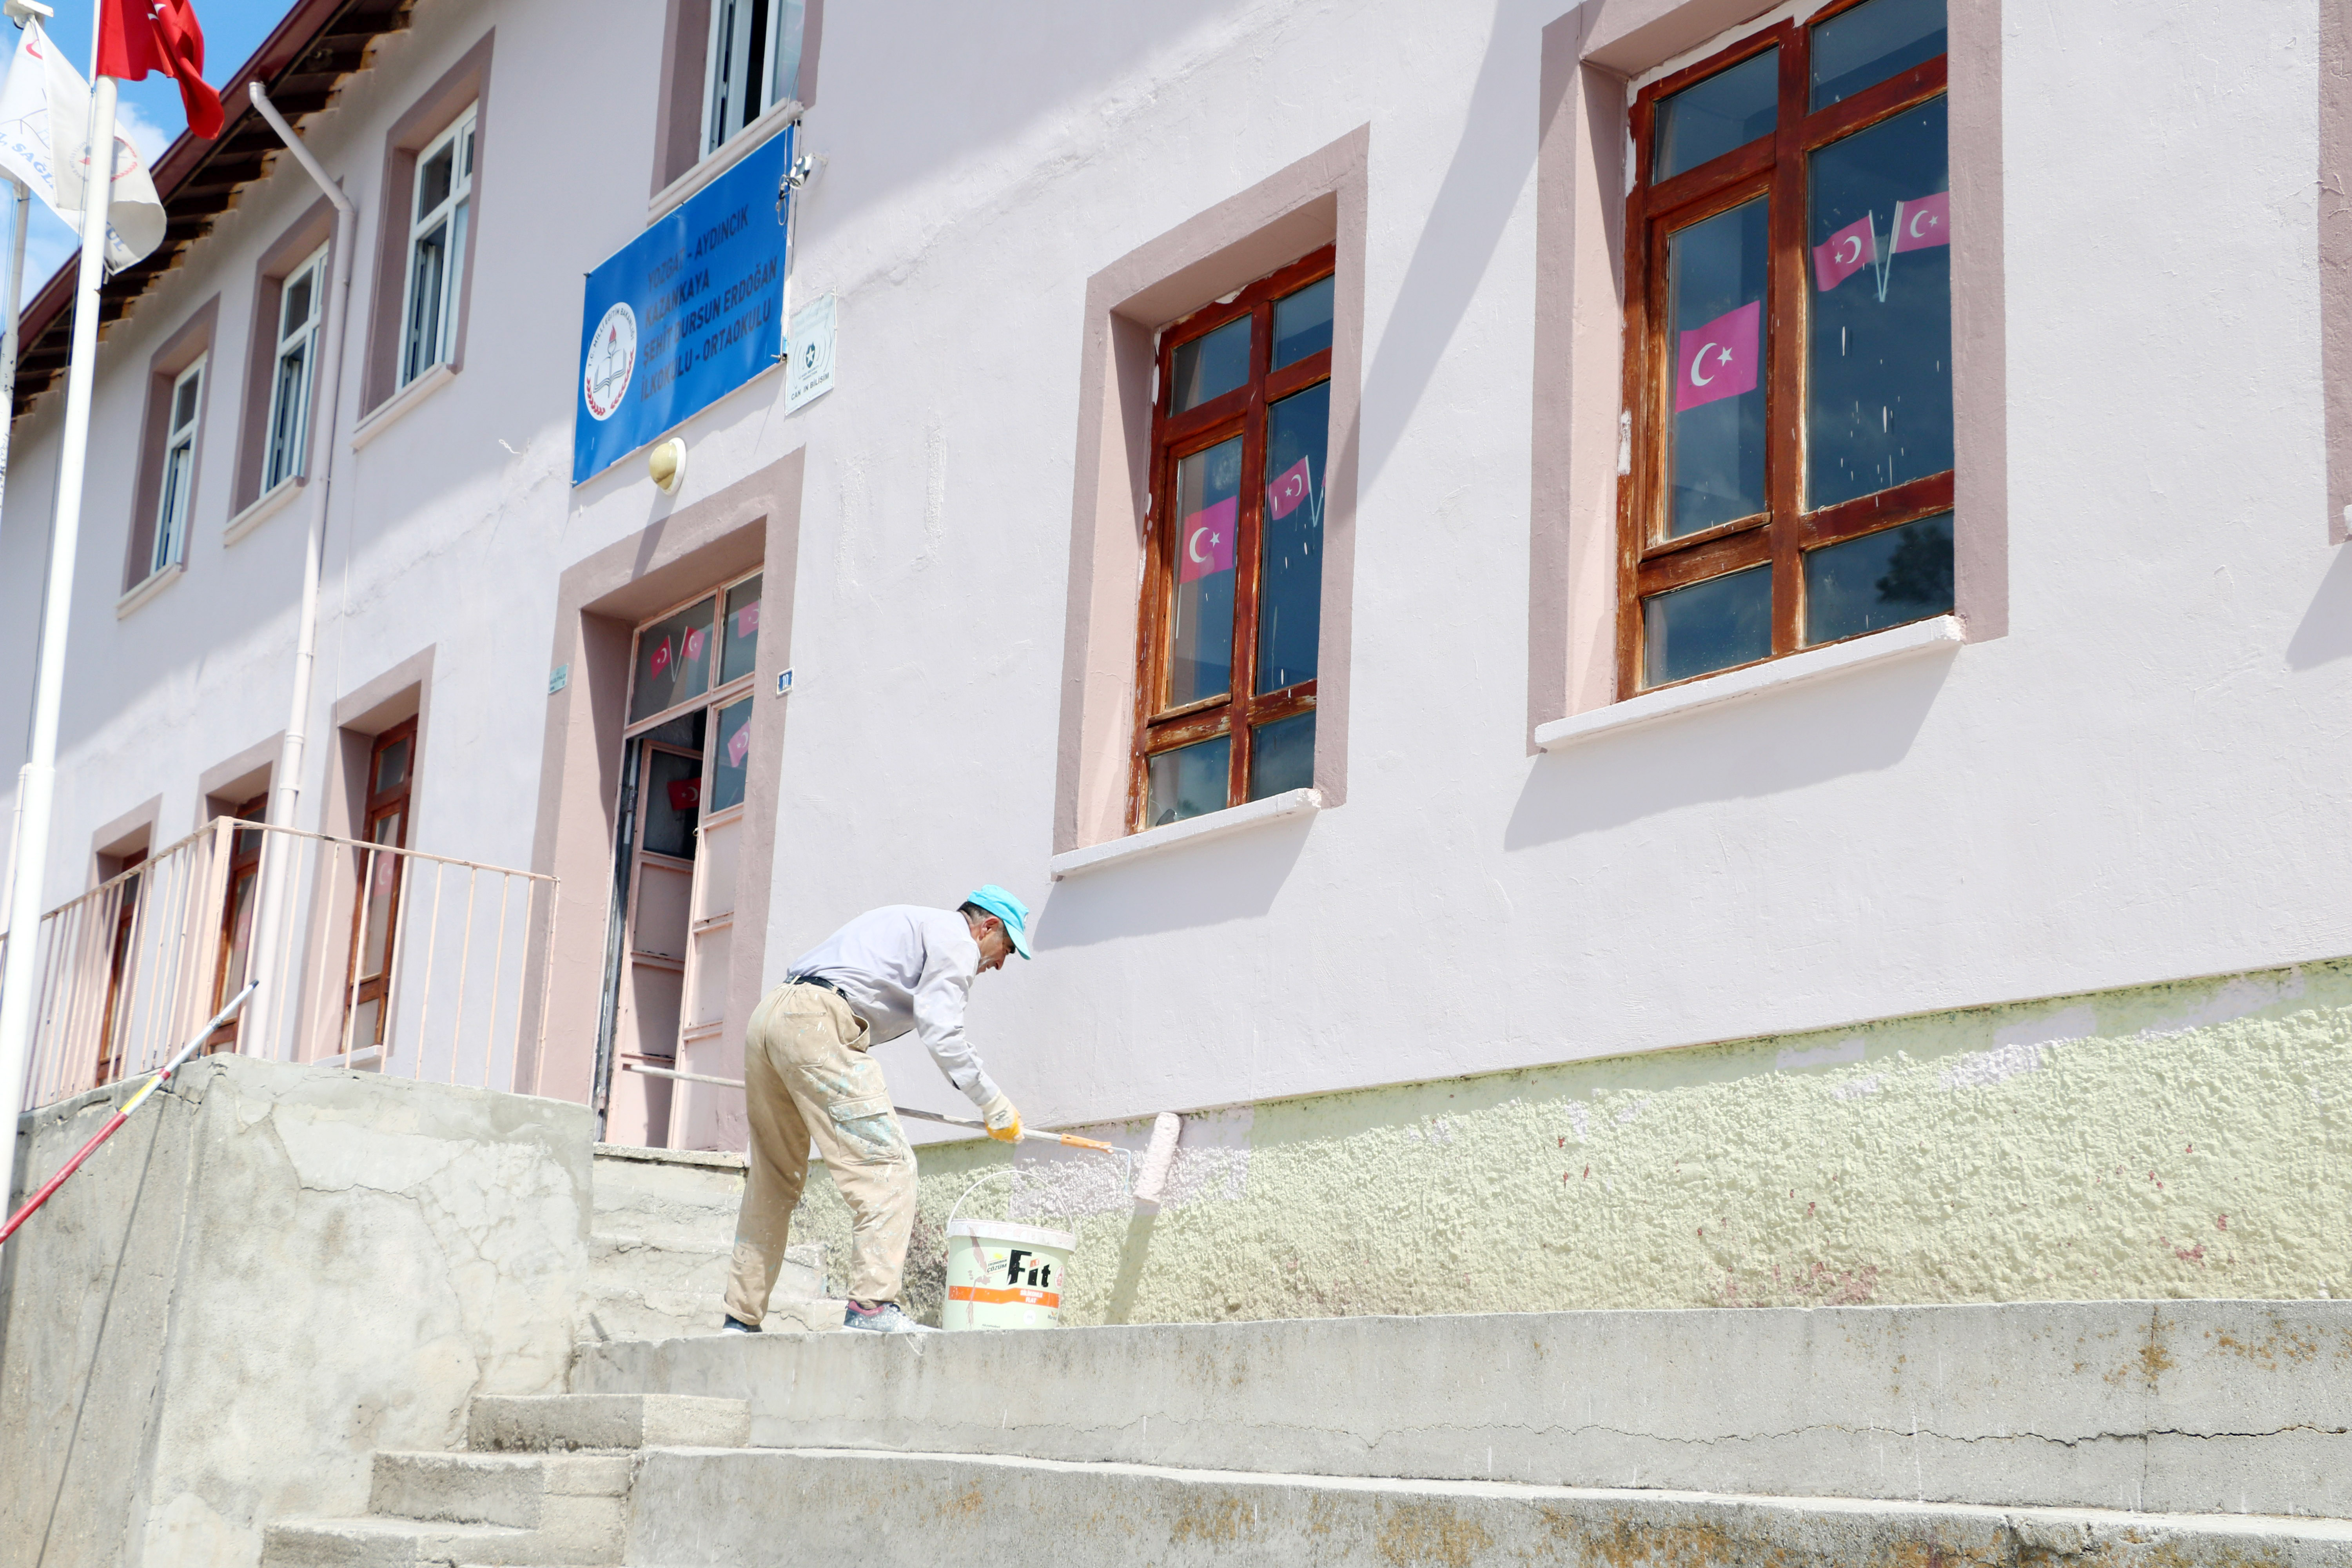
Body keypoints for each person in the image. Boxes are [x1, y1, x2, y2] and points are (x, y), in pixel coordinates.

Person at [721, 886, 1032, 1335]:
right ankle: (871, 1308)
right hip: (818, 1024)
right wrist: (993, 1102)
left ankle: (739, 1319)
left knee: (775, 1177)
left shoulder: (910, 919)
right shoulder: (957, 939)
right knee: (890, 1167)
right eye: (1004, 948)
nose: (1000, 963)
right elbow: (942, 1031)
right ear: (988, 926)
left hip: (772, 1016)